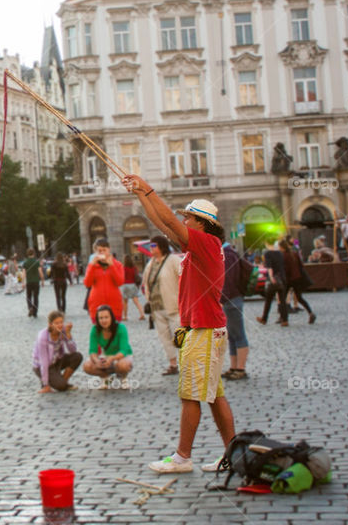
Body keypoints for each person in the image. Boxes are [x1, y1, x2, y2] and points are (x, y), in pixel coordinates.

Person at [121, 179, 235, 475]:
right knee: (214, 396)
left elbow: (169, 219)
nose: (184, 220)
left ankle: (183, 457)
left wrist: (147, 188)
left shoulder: (207, 242)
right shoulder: (199, 245)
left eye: (189, 217)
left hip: (205, 329)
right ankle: (233, 454)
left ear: (202, 223)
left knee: (190, 394)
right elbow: (163, 222)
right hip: (202, 329)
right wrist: (140, 194)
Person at [142, 236, 180, 376]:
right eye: (151, 246)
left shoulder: (173, 260)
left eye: (154, 246)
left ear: (161, 246)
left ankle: (188, 363)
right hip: (156, 307)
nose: (151, 248)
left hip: (173, 305)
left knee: (179, 336)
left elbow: (184, 277)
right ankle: (172, 364)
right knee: (164, 337)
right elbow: (146, 282)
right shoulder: (151, 263)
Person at [82, 305, 134, 389]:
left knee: (123, 365)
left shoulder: (121, 327)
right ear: (97, 320)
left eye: (106, 317)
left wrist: (112, 358)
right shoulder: (95, 330)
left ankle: (123, 377)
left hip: (122, 356)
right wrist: (97, 361)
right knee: (87, 366)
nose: (104, 320)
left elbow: (123, 350)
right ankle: (106, 378)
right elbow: (92, 351)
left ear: (111, 317)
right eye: (101, 318)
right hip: (106, 355)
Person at [221, 243, 250, 381]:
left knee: (239, 335)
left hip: (231, 300)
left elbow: (227, 280)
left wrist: (221, 299)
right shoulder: (227, 253)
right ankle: (233, 367)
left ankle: (241, 368)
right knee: (231, 336)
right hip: (230, 299)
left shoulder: (227, 255)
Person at [32, 311, 82, 392]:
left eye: (61, 322)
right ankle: (48, 381)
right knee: (61, 387)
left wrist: (68, 335)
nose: (60, 325)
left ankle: (63, 381)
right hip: (42, 366)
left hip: (57, 361)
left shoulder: (63, 331)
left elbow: (73, 350)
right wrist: (46, 385)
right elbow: (44, 362)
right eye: (56, 323)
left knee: (77, 356)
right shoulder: (43, 337)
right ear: (50, 324)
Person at [83, 239, 124, 322]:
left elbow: (120, 282)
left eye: (104, 250)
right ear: (96, 252)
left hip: (114, 305)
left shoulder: (117, 264)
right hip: (96, 305)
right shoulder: (92, 266)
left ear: (109, 250)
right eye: (99, 251)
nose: (102, 253)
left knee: (115, 331)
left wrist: (112, 266)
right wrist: (92, 266)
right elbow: (87, 283)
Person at [279, 239, 315, 324]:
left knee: (282, 299)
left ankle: (284, 319)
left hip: (288, 279)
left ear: (281, 247)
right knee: (299, 298)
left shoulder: (283, 256)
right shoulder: (294, 254)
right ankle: (311, 313)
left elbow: (285, 269)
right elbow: (301, 266)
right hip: (297, 278)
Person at [257, 240, 290, 327]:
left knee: (268, 300)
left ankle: (264, 318)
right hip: (282, 278)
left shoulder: (267, 253)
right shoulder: (279, 253)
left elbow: (269, 267)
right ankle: (285, 320)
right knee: (282, 300)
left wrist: (271, 277)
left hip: (274, 280)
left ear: (267, 244)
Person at [121, 255, 145, 321]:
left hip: (126, 285)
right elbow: (136, 276)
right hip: (133, 285)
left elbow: (122, 277)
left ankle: (125, 316)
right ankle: (142, 314)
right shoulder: (134, 268)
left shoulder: (124, 268)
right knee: (137, 302)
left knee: (125, 302)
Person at [23, 249, 44, 318]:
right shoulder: (36, 262)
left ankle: (30, 308)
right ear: (34, 254)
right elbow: (40, 272)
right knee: (36, 297)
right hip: (36, 282)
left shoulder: (25, 263)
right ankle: (35, 312)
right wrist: (42, 280)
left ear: (27, 254)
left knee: (28, 296)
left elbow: (24, 273)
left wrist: (23, 282)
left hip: (29, 282)